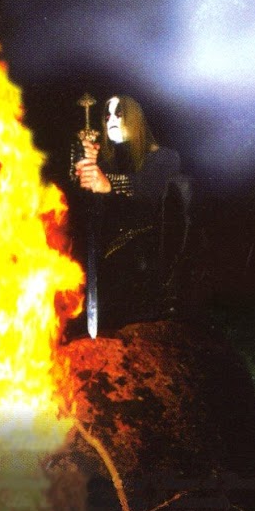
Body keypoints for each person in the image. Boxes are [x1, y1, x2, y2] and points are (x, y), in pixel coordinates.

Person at [73, 94, 185, 332]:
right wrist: (84, 167)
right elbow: (86, 207)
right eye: (107, 116)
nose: (111, 120)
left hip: (148, 260)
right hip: (108, 262)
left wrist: (108, 184)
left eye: (119, 114)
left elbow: (149, 188)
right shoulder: (105, 164)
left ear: (134, 118)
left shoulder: (164, 157)